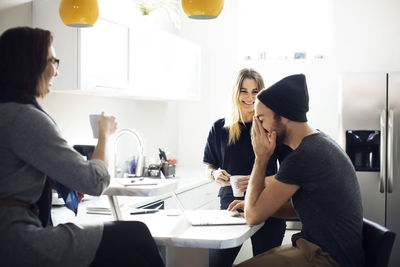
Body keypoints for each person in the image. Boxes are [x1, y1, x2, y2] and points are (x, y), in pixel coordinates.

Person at [0, 27, 164, 267]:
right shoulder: (25, 117)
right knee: (136, 236)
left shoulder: (7, 110)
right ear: (31, 63)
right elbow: (95, 181)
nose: (56, 71)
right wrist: (104, 134)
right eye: (53, 61)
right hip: (17, 240)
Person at [228, 74, 364, 267]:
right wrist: (260, 206)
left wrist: (261, 158)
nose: (257, 127)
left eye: (260, 119)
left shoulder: (304, 156)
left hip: (328, 259)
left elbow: (252, 216)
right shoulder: (319, 142)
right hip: (321, 250)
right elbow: (302, 210)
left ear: (283, 117)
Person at [203, 68, 292, 267]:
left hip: (268, 202)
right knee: (218, 263)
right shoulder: (219, 128)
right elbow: (210, 166)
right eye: (244, 90)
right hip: (230, 205)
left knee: (266, 263)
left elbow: (289, 173)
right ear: (236, 92)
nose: (250, 97)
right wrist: (214, 174)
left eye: (255, 91)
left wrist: (257, 181)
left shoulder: (272, 127)